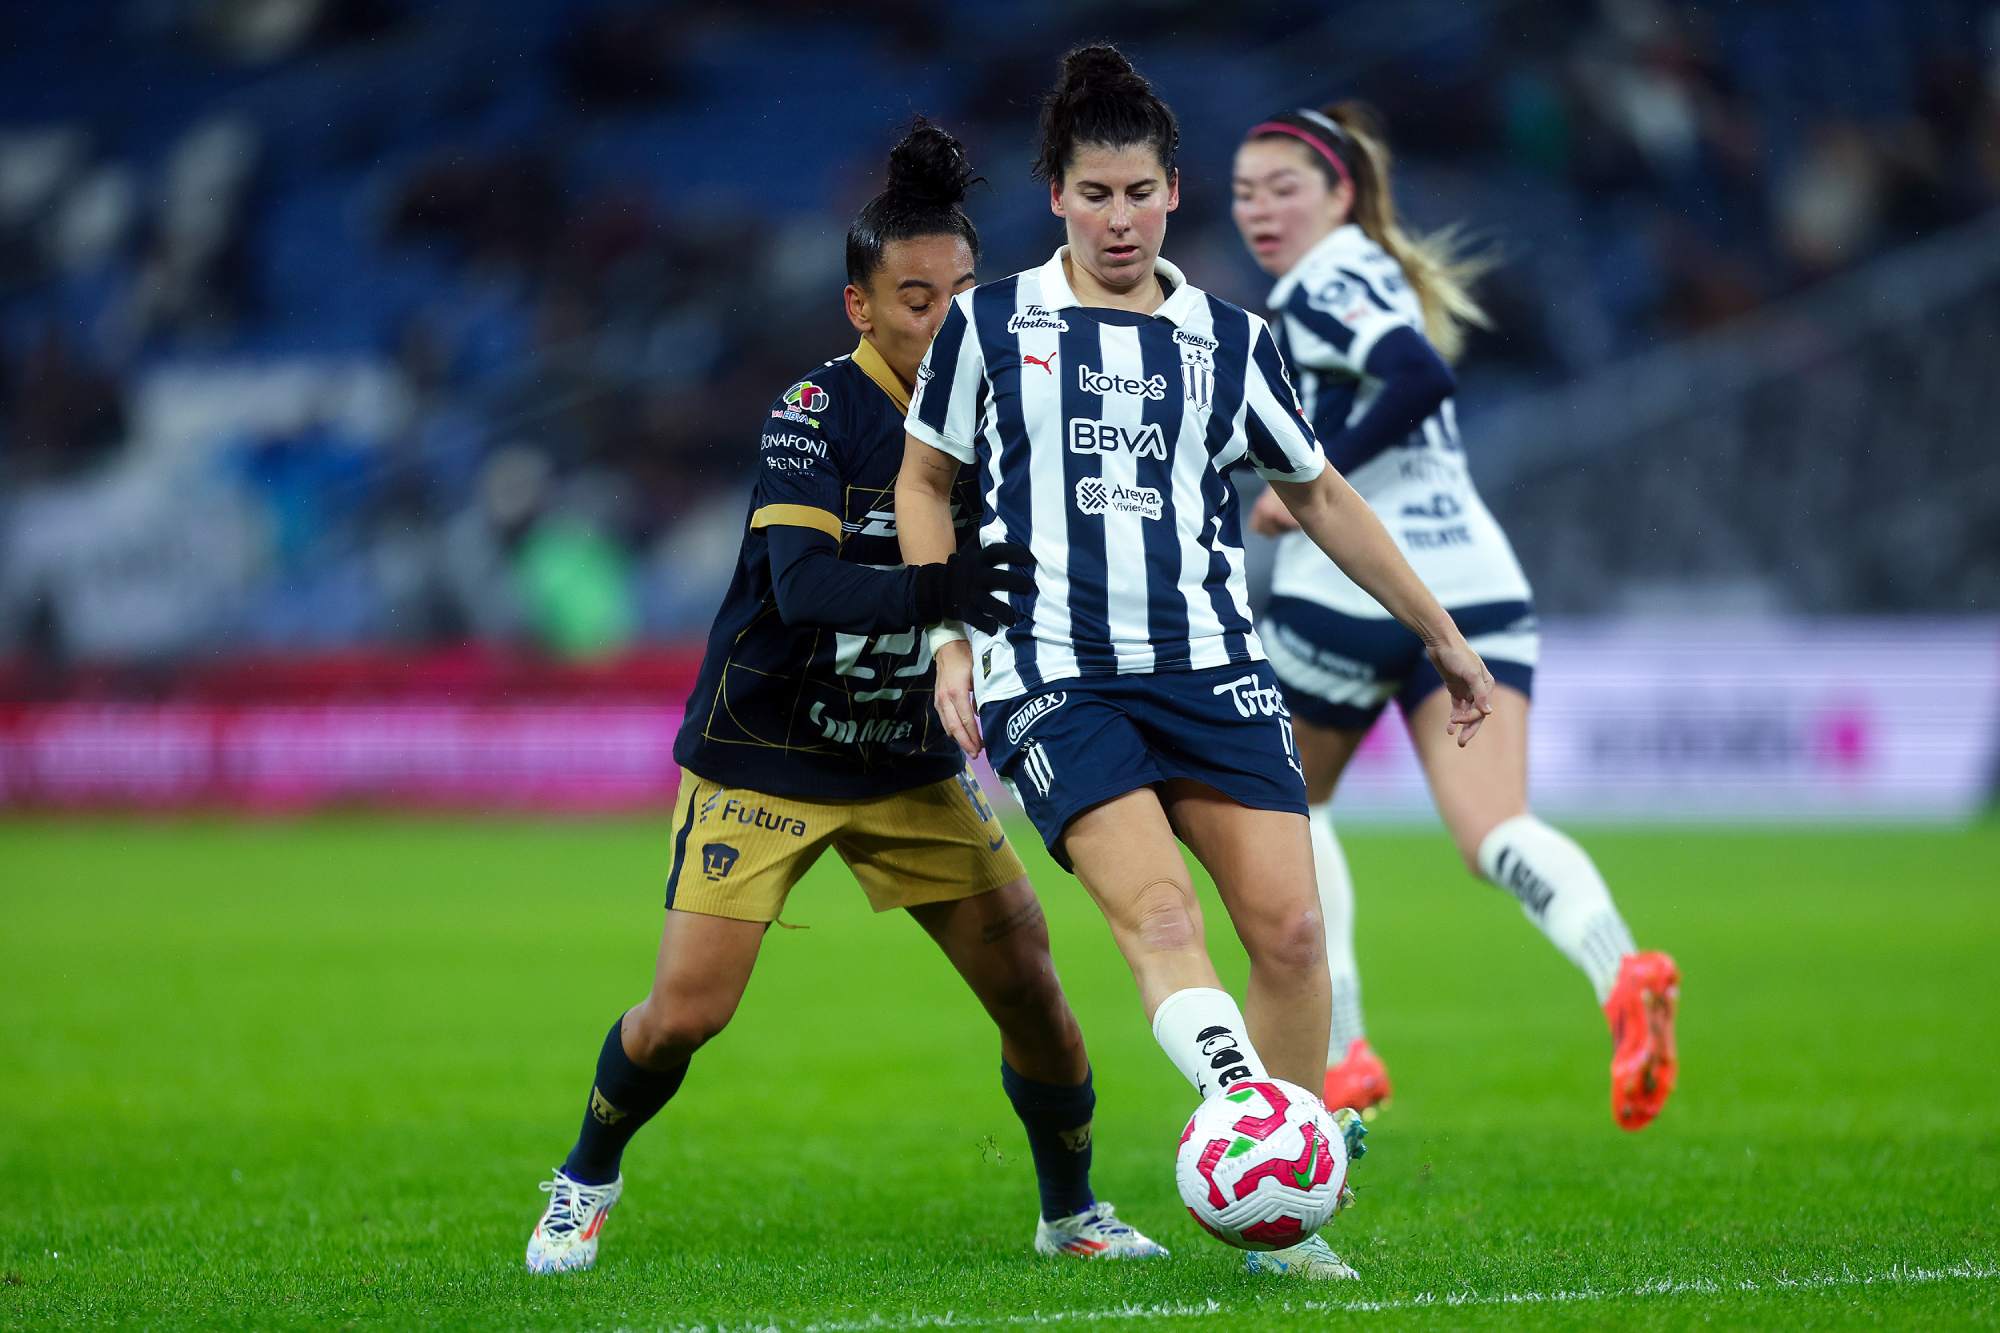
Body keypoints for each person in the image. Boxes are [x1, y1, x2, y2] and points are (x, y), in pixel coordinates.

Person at [524, 120, 1168, 1274]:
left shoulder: (1009, 407)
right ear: (859, 311)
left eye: (962, 290)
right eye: (914, 298)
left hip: (906, 759)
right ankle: (583, 1177)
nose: (944, 316)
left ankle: (1070, 1212)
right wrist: (945, 585)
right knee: (686, 1015)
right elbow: (803, 583)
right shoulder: (815, 413)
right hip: (766, 752)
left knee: (1033, 991)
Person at [895, 46, 1494, 1281]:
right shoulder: (988, 325)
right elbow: (924, 481)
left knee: (1289, 937)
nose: (1118, 218)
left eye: (1140, 193)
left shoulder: (1230, 339)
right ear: (1054, 194)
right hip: (1048, 669)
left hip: (1212, 665)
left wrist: (1439, 631)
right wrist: (946, 634)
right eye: (1093, 194)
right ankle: (1247, 1121)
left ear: (1174, 195)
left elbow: (1317, 494)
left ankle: (1280, 1216)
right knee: (1160, 913)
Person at [1229, 102, 1679, 1130]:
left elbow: (1415, 372)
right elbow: (1411, 374)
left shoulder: (1319, 278)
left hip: (1351, 581)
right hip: (1473, 575)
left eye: (1282, 188)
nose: (1259, 209)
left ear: (1338, 194)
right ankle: (1619, 963)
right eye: (1245, 192)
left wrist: (1308, 476)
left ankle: (1340, 1051)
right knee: (1494, 830)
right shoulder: (1371, 268)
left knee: (1290, 807)